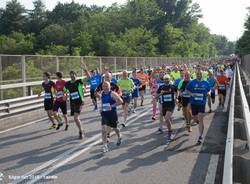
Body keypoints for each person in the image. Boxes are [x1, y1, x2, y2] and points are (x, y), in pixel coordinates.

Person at [186, 70, 210, 144]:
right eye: (197, 74)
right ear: (196, 75)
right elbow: (186, 90)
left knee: (200, 118)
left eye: (200, 74)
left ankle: (200, 136)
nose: (199, 75)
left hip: (202, 103)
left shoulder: (206, 83)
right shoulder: (192, 82)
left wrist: (208, 93)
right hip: (194, 103)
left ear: (202, 75)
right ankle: (196, 121)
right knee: (195, 117)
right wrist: (191, 94)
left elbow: (209, 90)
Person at [100, 81, 123, 153]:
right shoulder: (102, 93)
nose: (105, 87)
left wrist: (112, 106)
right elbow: (103, 102)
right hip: (104, 114)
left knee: (115, 128)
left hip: (112, 114)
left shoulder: (113, 94)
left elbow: (121, 101)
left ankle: (119, 136)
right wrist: (101, 108)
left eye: (106, 86)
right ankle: (105, 146)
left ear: (110, 86)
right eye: (104, 86)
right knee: (104, 130)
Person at [64, 70, 85, 139]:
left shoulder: (79, 81)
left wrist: (85, 70)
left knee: (76, 118)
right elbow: (64, 90)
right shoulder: (67, 84)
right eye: (71, 75)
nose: (72, 76)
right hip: (72, 102)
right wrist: (65, 95)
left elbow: (88, 79)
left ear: (76, 75)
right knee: (76, 118)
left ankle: (81, 131)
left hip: (79, 102)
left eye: (73, 75)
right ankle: (81, 129)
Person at [156, 74, 177, 141]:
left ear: (169, 80)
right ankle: (170, 129)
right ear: (163, 80)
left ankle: (170, 133)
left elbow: (177, 91)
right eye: (165, 79)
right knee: (167, 119)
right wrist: (160, 94)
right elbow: (156, 96)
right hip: (164, 105)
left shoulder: (173, 86)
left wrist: (176, 98)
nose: (166, 80)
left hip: (171, 104)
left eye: (167, 79)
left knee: (166, 118)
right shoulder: (161, 87)